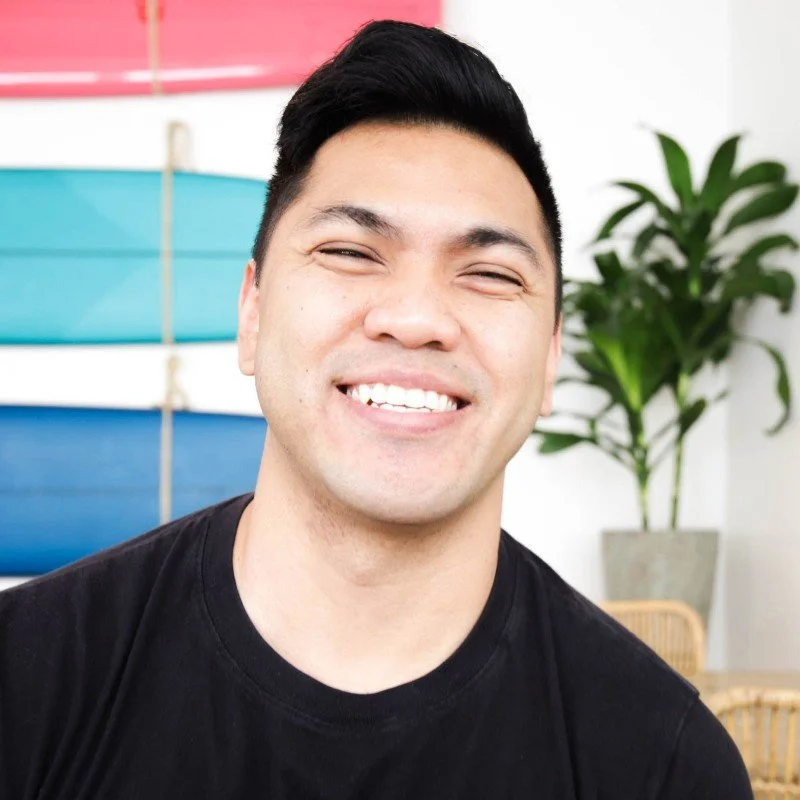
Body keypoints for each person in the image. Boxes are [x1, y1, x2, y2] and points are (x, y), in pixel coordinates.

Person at [0, 20, 751, 800]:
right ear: (251, 312)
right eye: (352, 253)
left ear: (553, 352)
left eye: (490, 274)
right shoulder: (27, 682)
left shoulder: (661, 763)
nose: (417, 316)